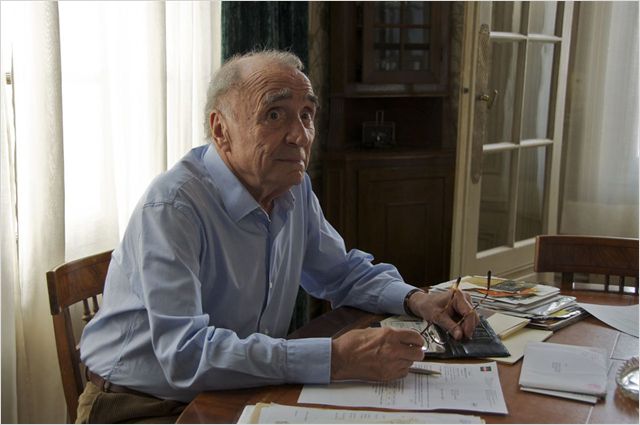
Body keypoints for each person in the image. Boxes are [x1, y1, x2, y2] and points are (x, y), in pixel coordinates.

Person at [76, 50, 478, 423]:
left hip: (239, 388)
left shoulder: (292, 189)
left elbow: (341, 273)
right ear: (220, 129)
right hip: (142, 404)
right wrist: (335, 359)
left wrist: (417, 299)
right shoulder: (173, 207)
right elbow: (186, 355)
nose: (300, 135)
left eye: (306, 115)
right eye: (274, 114)